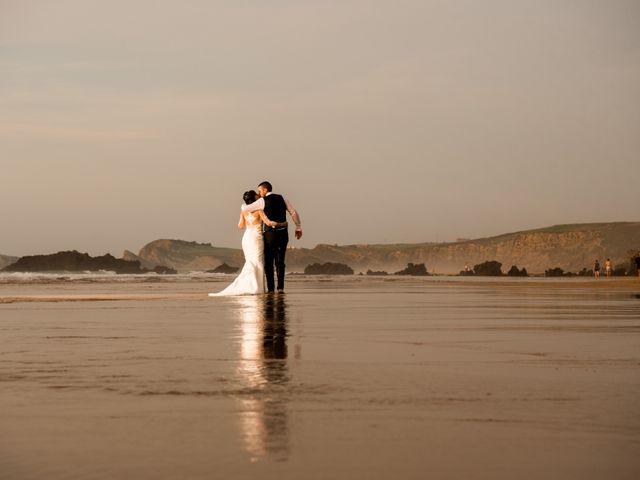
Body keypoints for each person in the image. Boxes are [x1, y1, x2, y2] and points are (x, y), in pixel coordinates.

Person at [209, 190, 286, 296]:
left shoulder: (243, 211)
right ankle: (256, 287)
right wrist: (282, 224)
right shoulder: (259, 210)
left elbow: (240, 226)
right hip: (256, 237)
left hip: (246, 237)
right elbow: (268, 222)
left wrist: (244, 217)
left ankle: (249, 285)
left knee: (250, 261)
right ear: (254, 199)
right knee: (258, 261)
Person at [241, 181, 302, 293]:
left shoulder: (262, 201)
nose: (259, 193)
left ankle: (270, 289)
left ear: (265, 190)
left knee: (269, 262)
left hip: (269, 235)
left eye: (259, 191)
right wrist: (298, 227)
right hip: (283, 233)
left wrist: (245, 204)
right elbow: (293, 212)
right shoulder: (282, 197)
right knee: (280, 261)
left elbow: (245, 209)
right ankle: (280, 288)